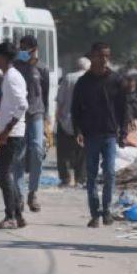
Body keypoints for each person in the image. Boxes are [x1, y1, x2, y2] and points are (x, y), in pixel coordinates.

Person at [71, 42, 127, 228]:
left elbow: (123, 108)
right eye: (100, 56)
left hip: (110, 133)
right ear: (92, 57)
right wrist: (77, 130)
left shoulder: (116, 80)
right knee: (92, 175)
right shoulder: (83, 82)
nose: (104, 59)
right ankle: (95, 213)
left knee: (110, 173)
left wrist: (124, 131)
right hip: (90, 134)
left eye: (106, 56)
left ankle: (107, 210)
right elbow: (75, 109)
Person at [0, 41, 29, 230]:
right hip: (11, 131)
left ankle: (11, 216)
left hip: (13, 133)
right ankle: (18, 215)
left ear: (3, 58)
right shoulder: (9, 76)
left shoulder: (12, 77)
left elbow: (23, 105)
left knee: (3, 175)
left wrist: (7, 129)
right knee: (8, 175)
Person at [14, 35, 51, 212]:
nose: (23, 51)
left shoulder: (42, 69)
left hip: (36, 112)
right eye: (21, 47)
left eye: (26, 48)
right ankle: (19, 195)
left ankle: (33, 191)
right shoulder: (16, 67)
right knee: (19, 155)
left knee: (37, 150)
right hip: (19, 115)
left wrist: (47, 120)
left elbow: (45, 95)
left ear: (34, 49)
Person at [55, 57, 89, 187]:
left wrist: (57, 117)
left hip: (66, 119)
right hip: (84, 121)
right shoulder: (90, 79)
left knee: (63, 152)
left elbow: (60, 100)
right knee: (82, 151)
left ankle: (65, 178)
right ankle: (80, 178)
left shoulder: (68, 78)